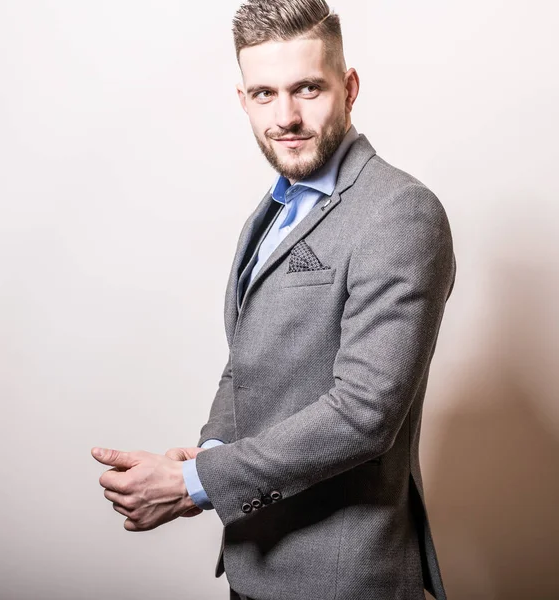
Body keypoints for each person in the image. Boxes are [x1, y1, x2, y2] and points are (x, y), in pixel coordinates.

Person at [92, 1, 456, 599]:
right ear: (243, 100)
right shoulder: (272, 211)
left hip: (343, 580)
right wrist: (212, 447)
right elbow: (251, 359)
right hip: (255, 565)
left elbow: (365, 414)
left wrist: (194, 482)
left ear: (350, 86)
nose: (285, 116)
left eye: (307, 88)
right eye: (264, 93)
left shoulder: (401, 212)